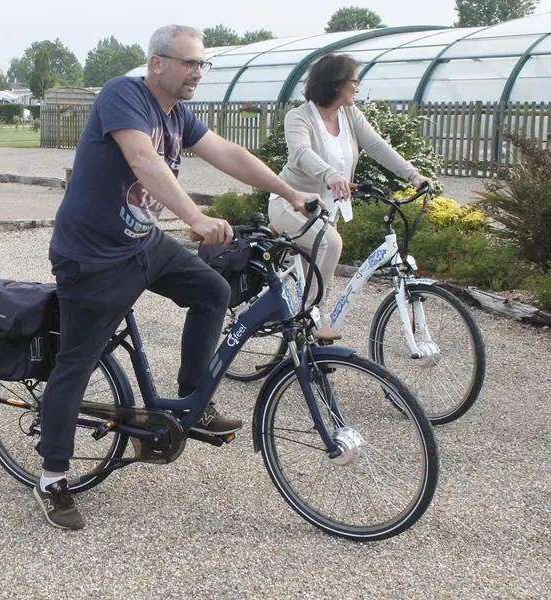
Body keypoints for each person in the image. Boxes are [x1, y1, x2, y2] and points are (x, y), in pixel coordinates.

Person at [34, 24, 317, 531]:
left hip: (143, 245)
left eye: (202, 64)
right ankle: (53, 477)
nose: (198, 73)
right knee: (76, 364)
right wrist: (195, 218)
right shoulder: (125, 95)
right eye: (189, 63)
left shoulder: (178, 114)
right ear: (158, 62)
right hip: (92, 257)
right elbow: (144, 161)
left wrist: (289, 191)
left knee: (213, 289)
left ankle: (194, 400)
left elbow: (228, 153)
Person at [268, 53, 429, 338]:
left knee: (312, 278)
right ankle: (309, 319)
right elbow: (301, 153)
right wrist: (330, 173)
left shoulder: (350, 115)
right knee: (330, 245)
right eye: (354, 81)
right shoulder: (299, 117)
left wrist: (413, 175)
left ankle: (301, 340)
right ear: (335, 83)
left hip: (327, 211)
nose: (358, 87)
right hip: (290, 205)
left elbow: (377, 146)